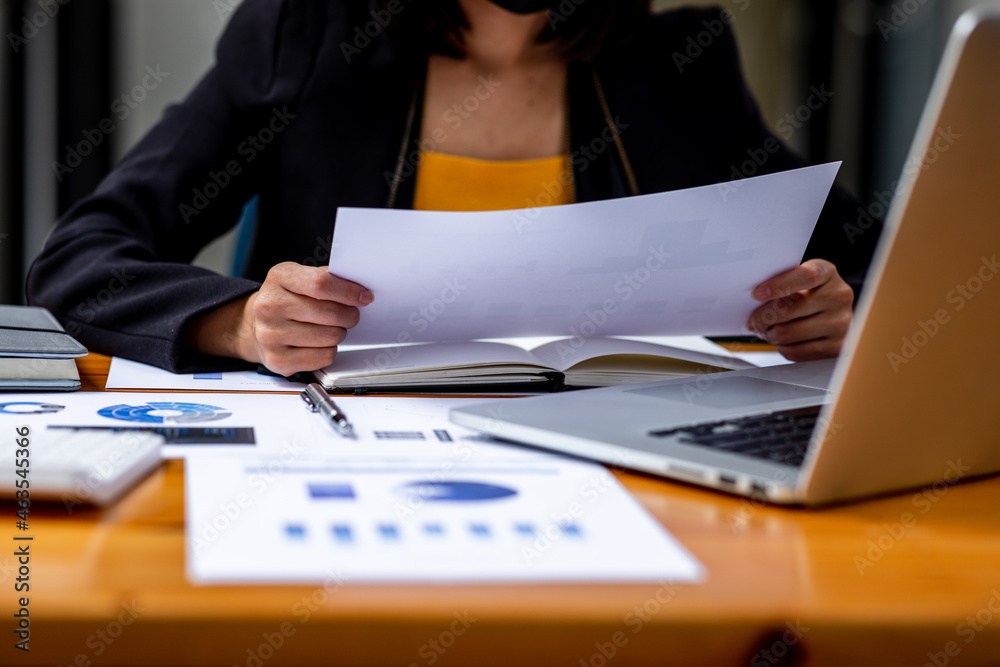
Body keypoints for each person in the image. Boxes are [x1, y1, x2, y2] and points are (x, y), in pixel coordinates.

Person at [27, 0, 879, 377]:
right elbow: (79, 261)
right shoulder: (304, 34)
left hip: (636, 466)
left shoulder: (678, 66)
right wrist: (245, 322)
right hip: (356, 468)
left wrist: (838, 310)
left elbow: (878, 267)